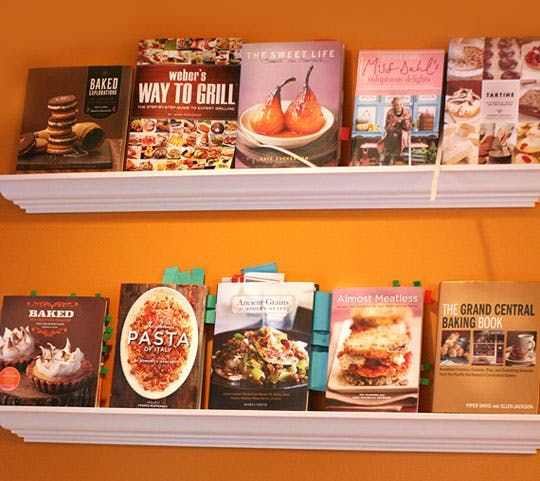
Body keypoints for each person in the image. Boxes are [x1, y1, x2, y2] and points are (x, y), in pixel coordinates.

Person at [378, 97, 411, 165]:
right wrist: (393, 123)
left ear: (402, 104)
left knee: (394, 134)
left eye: (400, 104)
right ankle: (391, 156)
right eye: (397, 105)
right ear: (393, 105)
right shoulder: (390, 112)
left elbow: (408, 127)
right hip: (392, 131)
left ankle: (385, 153)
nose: (399, 106)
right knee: (393, 134)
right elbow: (387, 125)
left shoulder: (406, 112)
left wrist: (403, 121)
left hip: (402, 131)